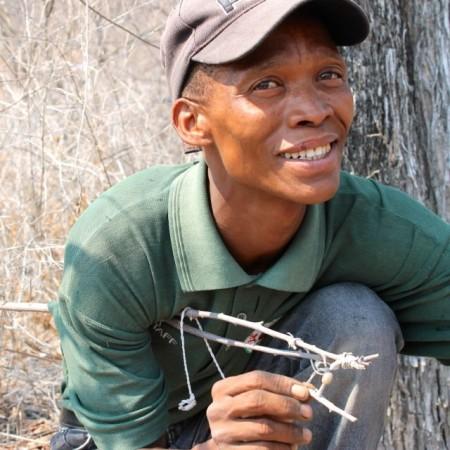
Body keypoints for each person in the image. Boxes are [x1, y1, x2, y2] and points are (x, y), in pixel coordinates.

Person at [49, 0, 450, 449]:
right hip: (117, 441)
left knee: (356, 319)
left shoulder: (379, 229)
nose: (314, 110)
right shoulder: (122, 246)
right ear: (192, 122)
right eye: (267, 85)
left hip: (257, 428)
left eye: (328, 75)